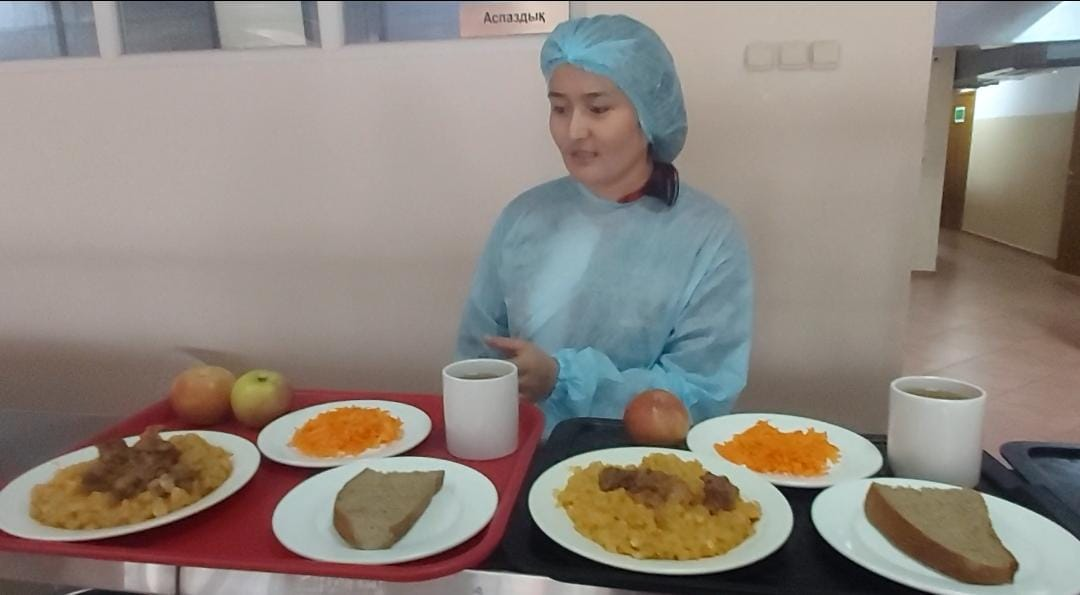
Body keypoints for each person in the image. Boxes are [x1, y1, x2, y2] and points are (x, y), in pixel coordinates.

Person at [455, 14, 753, 437]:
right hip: (521, 454)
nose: (574, 130)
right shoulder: (524, 217)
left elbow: (701, 392)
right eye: (559, 108)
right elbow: (475, 359)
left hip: (644, 465)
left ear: (648, 114)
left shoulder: (709, 236)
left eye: (598, 108)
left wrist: (563, 379)